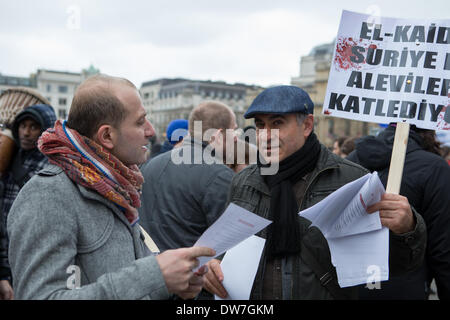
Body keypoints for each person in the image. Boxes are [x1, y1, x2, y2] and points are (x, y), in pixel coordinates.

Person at [203, 85, 426, 300]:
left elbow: (393, 264)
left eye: (278, 123)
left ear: (307, 125)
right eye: (261, 125)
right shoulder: (244, 180)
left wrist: (407, 228)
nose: (265, 136)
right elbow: (226, 248)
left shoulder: (351, 180)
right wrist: (216, 264)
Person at [6, 74, 214, 300]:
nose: (151, 131)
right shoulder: (47, 196)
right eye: (140, 121)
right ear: (107, 135)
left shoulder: (117, 188)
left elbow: (128, 280)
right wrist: (154, 276)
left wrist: (175, 284)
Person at [347, 124, 450, 300]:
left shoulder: (350, 160)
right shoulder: (434, 167)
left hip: (351, 285)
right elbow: (443, 248)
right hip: (406, 286)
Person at [138, 101, 236, 252]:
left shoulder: (149, 165)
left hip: (149, 266)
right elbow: (230, 243)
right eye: (233, 131)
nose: (236, 138)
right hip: (193, 270)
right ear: (217, 135)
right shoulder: (220, 175)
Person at [0, 104, 57, 300]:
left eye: (33, 127)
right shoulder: (9, 156)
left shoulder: (53, 164)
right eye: (22, 126)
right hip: (5, 250)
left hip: (30, 256)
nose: (26, 133)